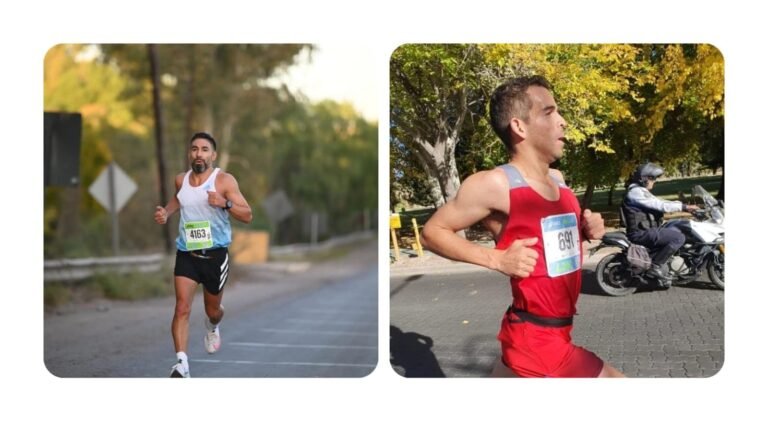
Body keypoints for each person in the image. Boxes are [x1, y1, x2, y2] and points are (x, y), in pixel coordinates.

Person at [421, 75, 623, 378]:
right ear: (519, 127)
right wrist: (497, 259)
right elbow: (432, 233)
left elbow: (550, 244)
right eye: (549, 112)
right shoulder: (494, 184)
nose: (563, 121)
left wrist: (585, 229)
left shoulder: (559, 181)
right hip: (536, 340)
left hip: (553, 330)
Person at [154, 132, 252, 378]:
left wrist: (224, 203)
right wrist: (166, 213)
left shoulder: (224, 181)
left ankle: (214, 325)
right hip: (187, 253)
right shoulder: (181, 179)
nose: (199, 153)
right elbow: (179, 199)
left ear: (213, 155)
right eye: (195, 149)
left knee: (212, 310)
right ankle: (182, 364)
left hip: (215, 256)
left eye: (205, 149)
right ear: (190, 153)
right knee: (182, 308)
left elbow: (248, 214)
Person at [621, 162, 698, 281]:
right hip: (640, 233)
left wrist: (683, 205)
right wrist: (684, 207)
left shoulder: (640, 191)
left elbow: (660, 201)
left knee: (676, 226)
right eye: (652, 178)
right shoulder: (635, 192)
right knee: (678, 238)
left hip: (646, 230)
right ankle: (655, 266)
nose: (654, 181)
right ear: (644, 179)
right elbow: (659, 205)